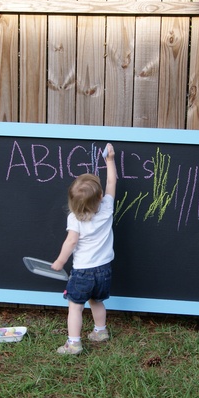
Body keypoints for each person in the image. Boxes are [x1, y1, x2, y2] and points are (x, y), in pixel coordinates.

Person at [51, 143, 117, 355]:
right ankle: (100, 331)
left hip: (83, 272)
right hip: (104, 269)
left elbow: (70, 242)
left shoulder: (75, 219)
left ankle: (74, 343)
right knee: (96, 301)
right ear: (99, 198)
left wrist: (60, 262)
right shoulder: (107, 207)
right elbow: (111, 181)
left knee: (75, 307)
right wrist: (110, 160)